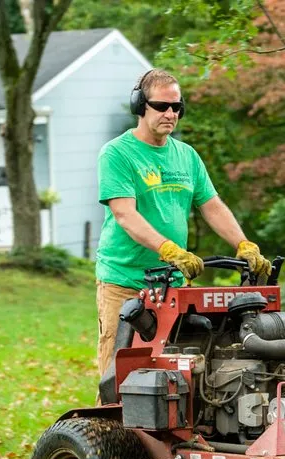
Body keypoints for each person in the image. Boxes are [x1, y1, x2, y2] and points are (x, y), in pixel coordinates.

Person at [95, 68, 271, 379]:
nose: (170, 114)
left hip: (173, 287)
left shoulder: (186, 156)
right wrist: (169, 250)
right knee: (119, 377)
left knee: (184, 373)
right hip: (125, 283)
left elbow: (212, 206)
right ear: (140, 106)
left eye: (176, 107)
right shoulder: (117, 154)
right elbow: (125, 214)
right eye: (161, 106)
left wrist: (243, 244)